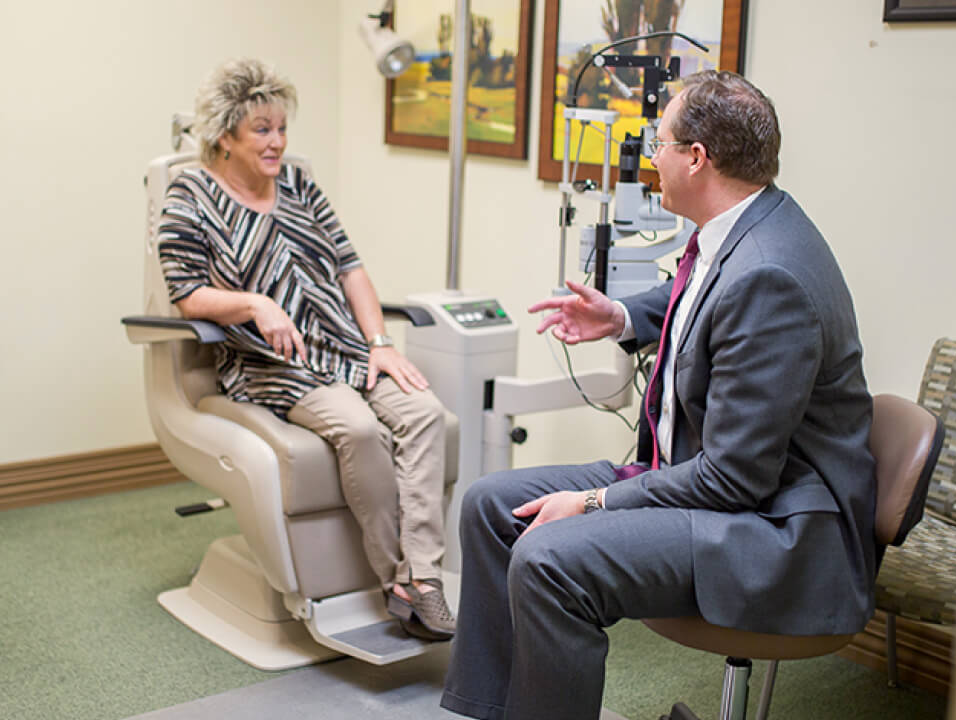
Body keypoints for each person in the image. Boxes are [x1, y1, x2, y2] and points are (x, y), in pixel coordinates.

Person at [440, 70, 876, 719]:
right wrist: (619, 316)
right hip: (700, 481)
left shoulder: (773, 274)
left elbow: (734, 479)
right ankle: (487, 709)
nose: (652, 157)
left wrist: (593, 501)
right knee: (489, 506)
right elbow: (702, 303)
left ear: (696, 159)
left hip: (771, 531)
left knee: (548, 558)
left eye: (659, 142)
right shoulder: (742, 227)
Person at [158, 58, 454, 641]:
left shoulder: (298, 185)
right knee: (359, 429)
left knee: (424, 414)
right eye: (262, 130)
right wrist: (255, 304)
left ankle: (426, 580)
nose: (278, 142)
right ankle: (398, 579)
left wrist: (380, 344)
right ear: (225, 136)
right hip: (271, 365)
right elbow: (188, 296)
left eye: (282, 128)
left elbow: (351, 269)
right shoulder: (188, 195)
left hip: (344, 348)